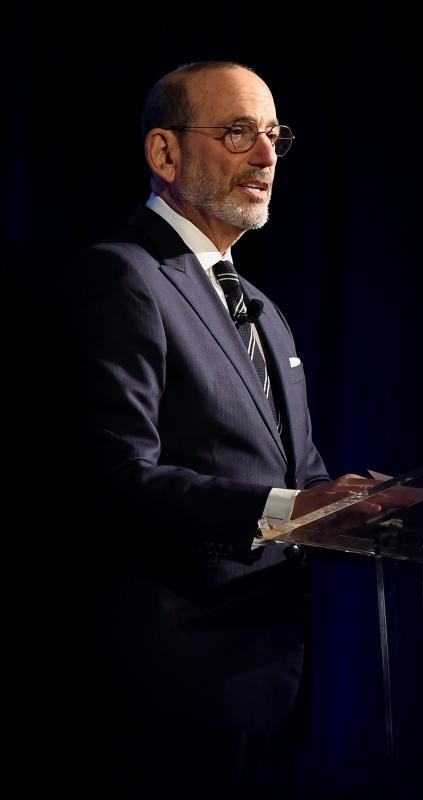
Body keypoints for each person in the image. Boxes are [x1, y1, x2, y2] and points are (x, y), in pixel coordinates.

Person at [66, 60, 383, 797]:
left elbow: (301, 476)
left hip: (264, 689)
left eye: (274, 135)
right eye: (239, 132)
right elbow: (113, 479)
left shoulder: (263, 309)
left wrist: (374, 512)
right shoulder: (124, 276)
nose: (267, 156)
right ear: (165, 152)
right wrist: (291, 511)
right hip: (161, 694)